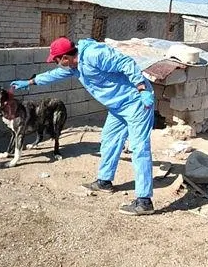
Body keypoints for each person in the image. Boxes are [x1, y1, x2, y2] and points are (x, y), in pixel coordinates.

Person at [10, 36, 155, 215]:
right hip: (117, 106)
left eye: (56, 60)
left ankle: (144, 201)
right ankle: (104, 181)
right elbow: (53, 76)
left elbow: (126, 63)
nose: (57, 64)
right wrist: (30, 82)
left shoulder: (94, 54)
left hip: (136, 101)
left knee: (139, 147)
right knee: (109, 141)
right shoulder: (74, 66)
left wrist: (142, 89)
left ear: (65, 57)